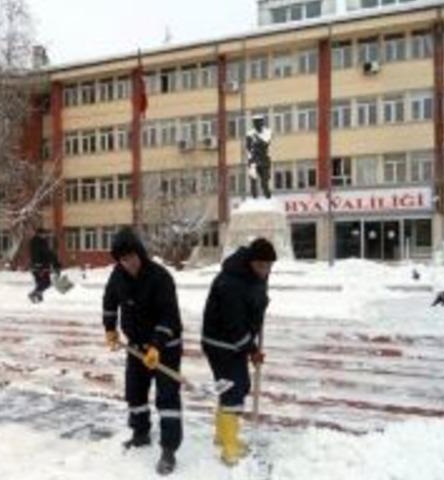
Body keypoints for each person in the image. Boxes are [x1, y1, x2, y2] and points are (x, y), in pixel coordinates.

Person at [102, 227, 183, 475]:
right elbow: (109, 301)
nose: (129, 263)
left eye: (132, 257)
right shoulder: (117, 276)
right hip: (136, 347)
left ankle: (169, 449)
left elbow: (169, 317)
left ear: (140, 253)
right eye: (123, 260)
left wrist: (157, 346)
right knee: (135, 392)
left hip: (165, 347)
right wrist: (110, 329)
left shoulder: (160, 277)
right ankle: (140, 433)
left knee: (167, 397)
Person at [201, 237, 276, 466]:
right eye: (261, 266)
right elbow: (234, 324)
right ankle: (229, 447)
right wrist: (252, 350)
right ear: (251, 262)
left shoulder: (254, 276)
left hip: (232, 341)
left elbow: (255, 303)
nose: (265, 271)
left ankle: (222, 436)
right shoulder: (231, 282)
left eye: (269, 266)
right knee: (234, 388)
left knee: (235, 386)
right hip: (220, 343)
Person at [28, 226, 60, 303]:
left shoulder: (42, 242)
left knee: (41, 282)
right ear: (39, 234)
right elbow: (40, 254)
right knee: (46, 282)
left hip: (41, 265)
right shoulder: (37, 242)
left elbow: (48, 253)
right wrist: (38, 265)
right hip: (39, 266)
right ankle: (34, 294)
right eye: (43, 234)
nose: (45, 235)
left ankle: (38, 298)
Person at [246, 115, 272, 200]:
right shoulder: (249, 134)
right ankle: (254, 199)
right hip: (253, 160)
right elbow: (248, 147)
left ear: (262, 123)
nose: (257, 124)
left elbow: (266, 144)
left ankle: (268, 198)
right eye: (255, 123)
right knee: (253, 180)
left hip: (264, 160)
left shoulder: (267, 132)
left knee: (265, 182)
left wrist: (257, 142)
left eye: (259, 122)